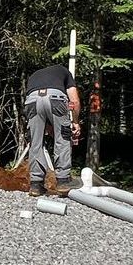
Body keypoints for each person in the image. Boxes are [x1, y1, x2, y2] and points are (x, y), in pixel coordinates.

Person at [23, 63, 82, 196]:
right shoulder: (64, 71)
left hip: (31, 101)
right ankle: (63, 181)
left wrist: (49, 126)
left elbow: (42, 104)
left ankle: (36, 185)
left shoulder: (34, 76)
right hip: (56, 99)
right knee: (63, 138)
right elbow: (75, 101)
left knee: (35, 142)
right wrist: (75, 122)